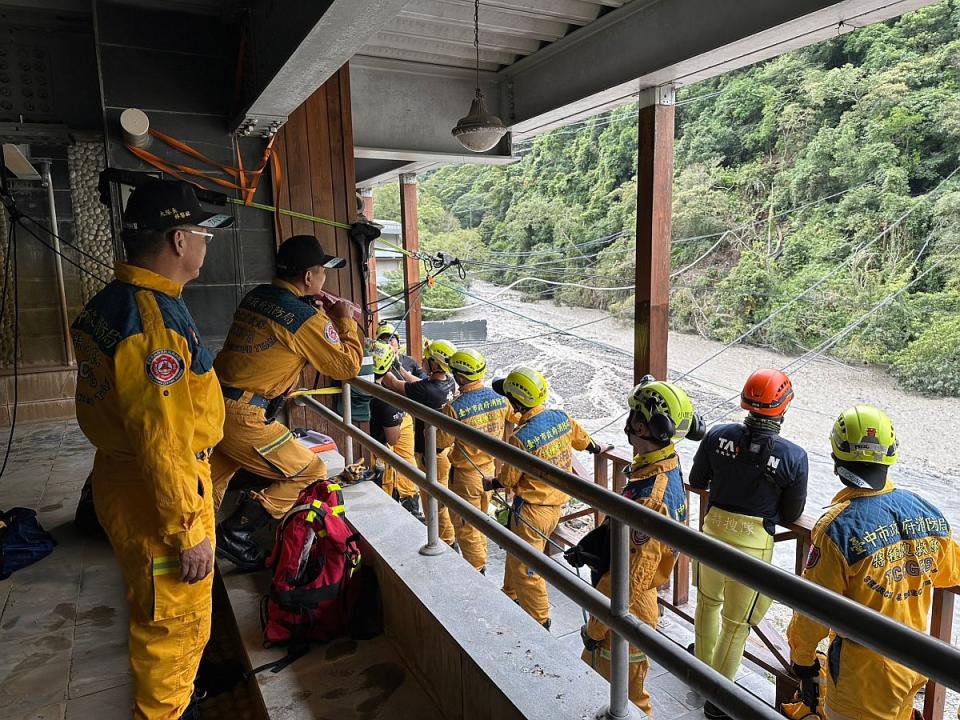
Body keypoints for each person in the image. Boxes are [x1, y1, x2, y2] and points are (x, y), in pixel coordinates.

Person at [72, 179, 233, 720]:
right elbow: (161, 439)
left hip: (126, 482)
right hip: (158, 494)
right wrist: (188, 530)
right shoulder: (153, 324)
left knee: (155, 607)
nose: (207, 246)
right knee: (173, 624)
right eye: (203, 235)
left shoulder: (112, 302)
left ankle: (178, 699)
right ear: (179, 239)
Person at [787, 405, 960, 720]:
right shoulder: (928, 512)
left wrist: (803, 660)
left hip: (862, 679)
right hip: (913, 662)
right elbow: (949, 573)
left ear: (837, 460)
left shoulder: (835, 529)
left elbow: (812, 610)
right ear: (890, 455)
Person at [211, 235, 363, 570]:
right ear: (309, 277)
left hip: (213, 403)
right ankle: (236, 534)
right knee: (310, 469)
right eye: (322, 271)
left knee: (212, 481)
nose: (325, 278)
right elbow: (346, 367)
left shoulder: (258, 296)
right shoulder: (305, 318)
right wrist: (343, 319)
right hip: (243, 415)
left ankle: (197, 543)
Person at [689, 368, 809, 719]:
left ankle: (698, 672)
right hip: (753, 545)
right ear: (784, 407)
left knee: (707, 605)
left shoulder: (717, 436)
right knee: (736, 624)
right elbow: (792, 511)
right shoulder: (793, 456)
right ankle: (718, 699)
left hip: (712, 533)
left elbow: (698, 479)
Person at [575, 377, 698, 716]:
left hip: (628, 604)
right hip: (630, 594)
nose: (628, 422)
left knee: (623, 695)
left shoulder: (651, 498)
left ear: (642, 426)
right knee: (607, 681)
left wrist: (596, 627)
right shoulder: (664, 465)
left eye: (633, 416)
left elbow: (630, 580)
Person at [487, 366, 602, 629]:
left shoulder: (521, 438)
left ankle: (540, 620)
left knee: (527, 568)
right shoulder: (560, 417)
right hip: (556, 507)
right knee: (517, 556)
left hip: (531, 511)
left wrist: (491, 483)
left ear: (516, 402)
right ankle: (510, 594)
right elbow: (583, 440)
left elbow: (509, 479)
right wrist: (598, 448)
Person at [437, 348, 511, 573]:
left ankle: (477, 570)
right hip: (489, 472)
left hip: (465, 476)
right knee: (481, 521)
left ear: (459, 377)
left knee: (465, 526)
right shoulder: (500, 400)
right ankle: (482, 561)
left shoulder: (455, 408)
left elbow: (441, 442)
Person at [380, 339, 458, 547]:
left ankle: (446, 543)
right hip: (444, 450)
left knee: (434, 501)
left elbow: (393, 385)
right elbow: (418, 384)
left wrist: (384, 364)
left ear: (435, 364)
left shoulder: (428, 390)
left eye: (428, 358)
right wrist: (400, 368)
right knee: (440, 498)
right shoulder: (448, 381)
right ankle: (447, 539)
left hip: (431, 455)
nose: (422, 360)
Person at [368, 341, 422, 519]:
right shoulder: (387, 399)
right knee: (397, 464)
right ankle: (403, 505)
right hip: (386, 437)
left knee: (405, 462)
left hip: (387, 429)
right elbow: (392, 439)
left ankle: (408, 501)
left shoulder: (370, 388)